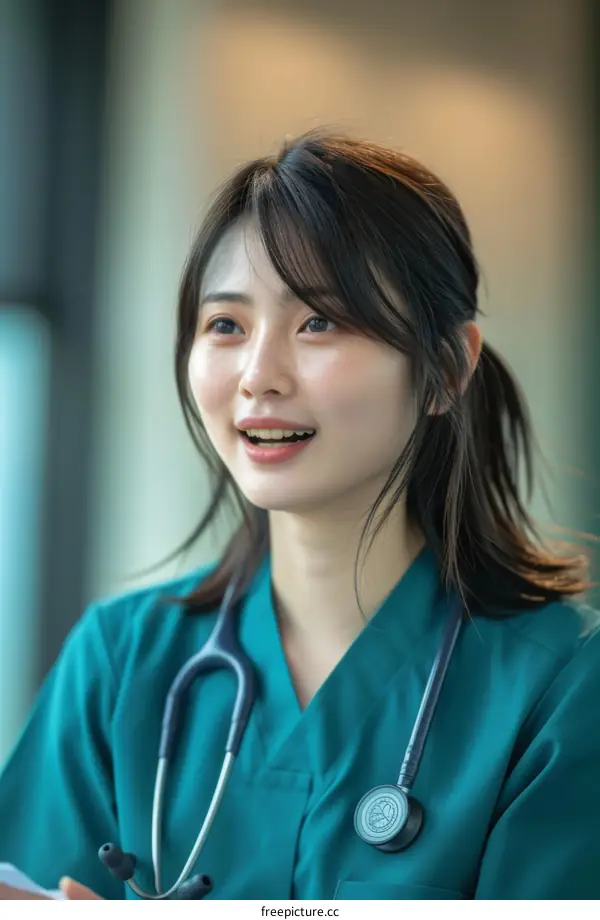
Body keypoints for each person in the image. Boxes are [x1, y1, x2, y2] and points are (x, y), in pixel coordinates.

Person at [0, 130, 598, 901]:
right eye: (226, 325)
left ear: (446, 368)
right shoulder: (122, 660)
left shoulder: (561, 684)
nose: (257, 376)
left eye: (319, 321)